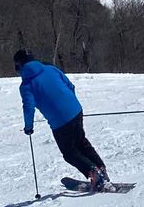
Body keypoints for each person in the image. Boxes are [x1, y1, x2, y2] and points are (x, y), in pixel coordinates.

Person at [14, 50, 110, 190]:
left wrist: (28, 127)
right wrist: (70, 104)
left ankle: (93, 173)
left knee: (69, 153)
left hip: (59, 122)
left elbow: (28, 108)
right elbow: (70, 86)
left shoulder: (26, 85)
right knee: (81, 143)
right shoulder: (51, 69)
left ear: (19, 66)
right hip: (76, 110)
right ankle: (101, 170)